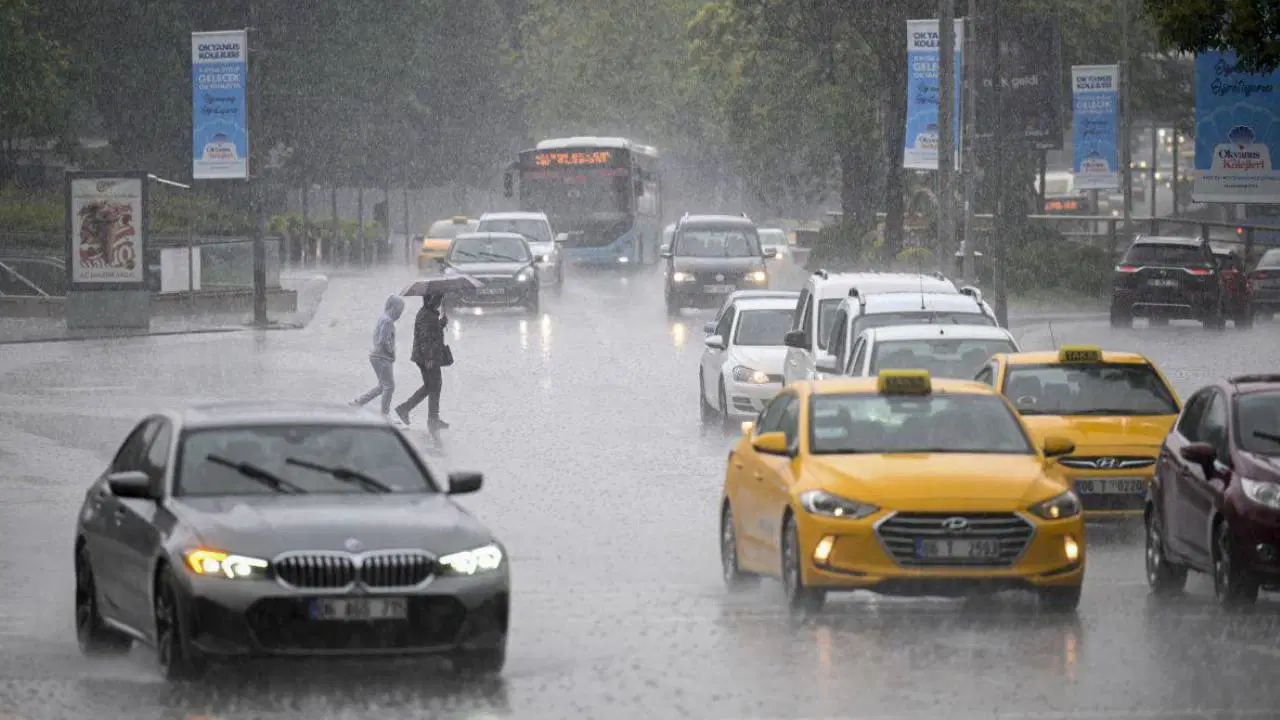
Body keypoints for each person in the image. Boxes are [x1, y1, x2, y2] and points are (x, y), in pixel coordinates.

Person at [395, 293, 451, 430]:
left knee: (434, 385)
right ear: (431, 300)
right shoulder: (427, 315)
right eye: (437, 299)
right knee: (432, 386)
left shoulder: (429, 313)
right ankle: (408, 410)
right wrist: (429, 358)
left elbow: (432, 332)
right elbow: (425, 339)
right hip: (427, 358)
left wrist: (441, 324)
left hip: (428, 357)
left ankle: (432, 418)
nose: (438, 302)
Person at [351, 294, 405, 416]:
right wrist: (391, 352)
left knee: (382, 386)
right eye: (398, 311)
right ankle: (384, 414)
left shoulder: (382, 317)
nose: (399, 314)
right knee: (389, 386)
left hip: (376, 355)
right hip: (382, 357)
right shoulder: (388, 321)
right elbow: (383, 340)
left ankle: (358, 403)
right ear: (392, 307)